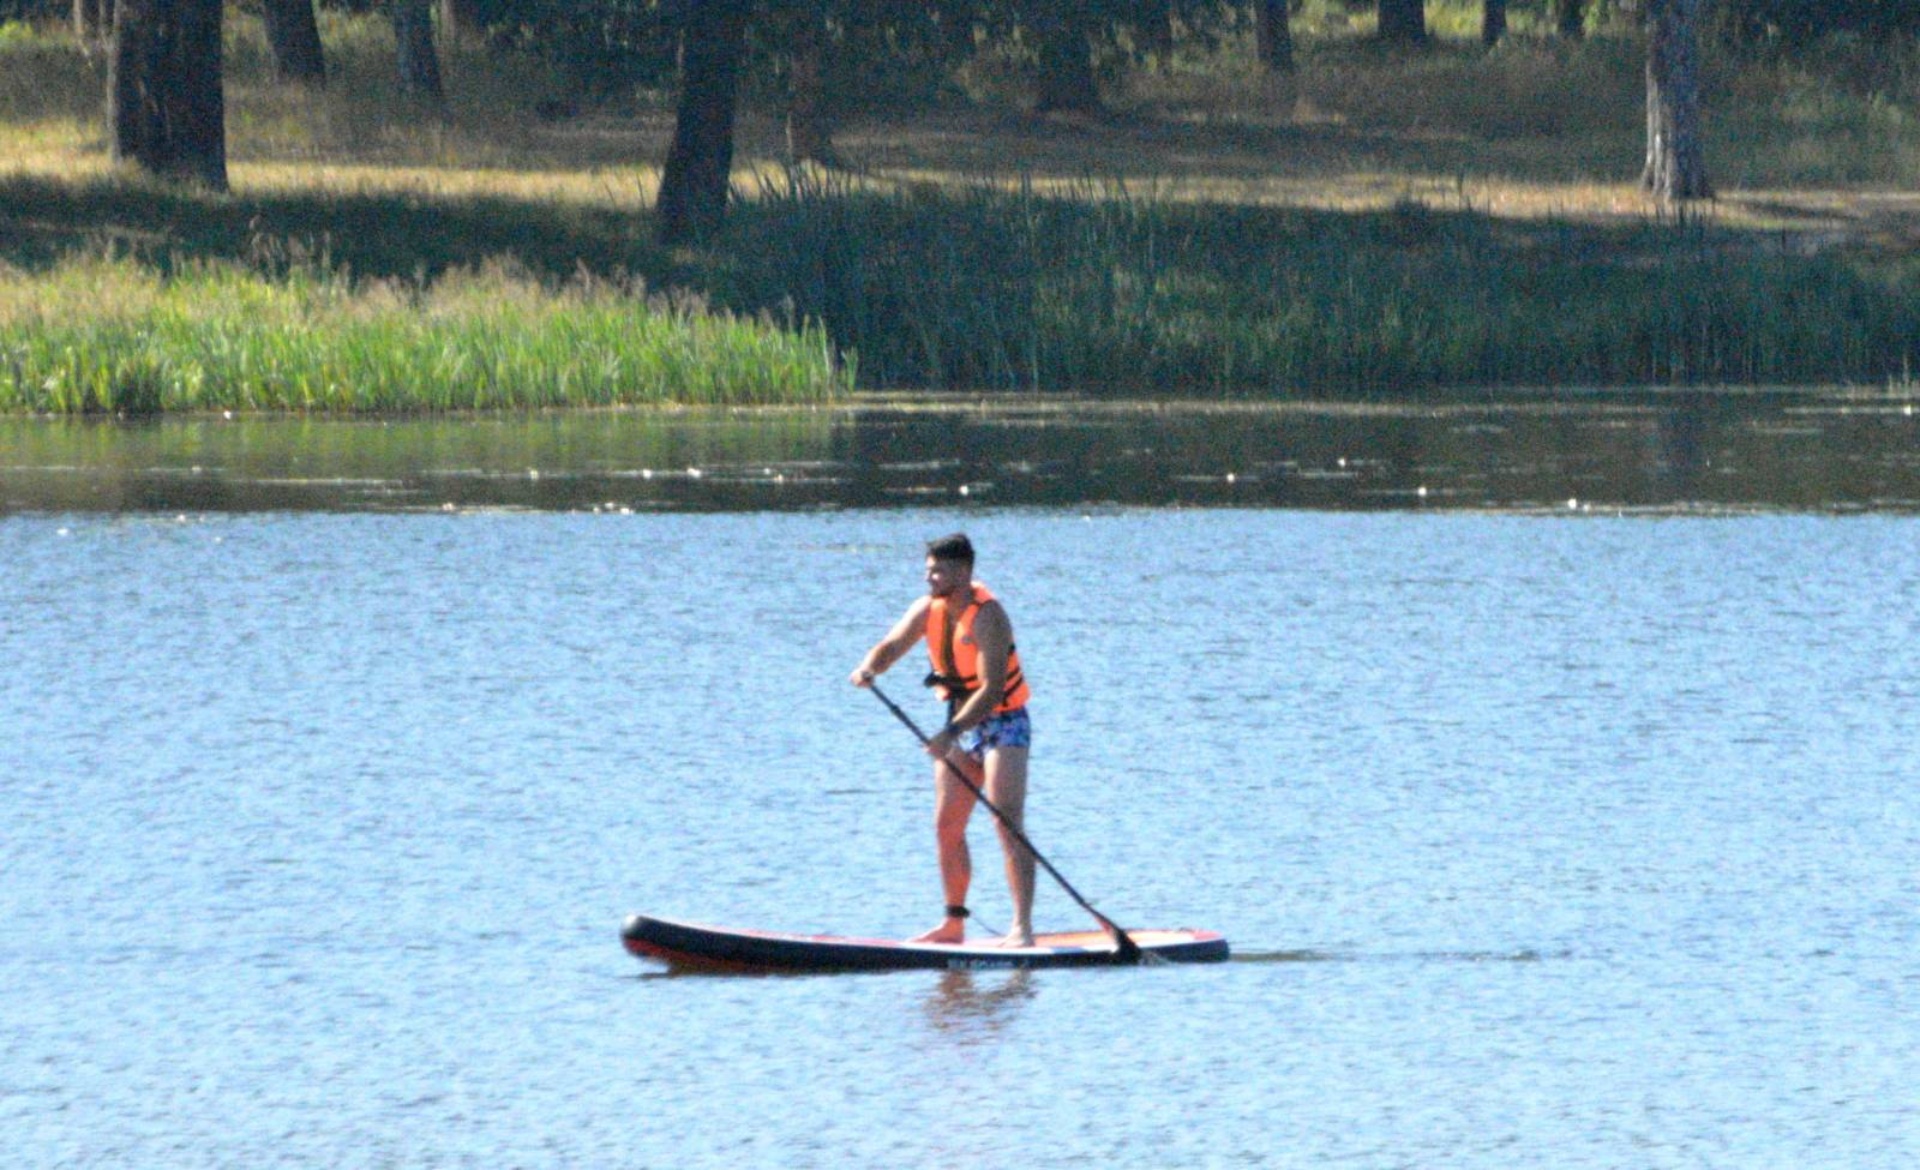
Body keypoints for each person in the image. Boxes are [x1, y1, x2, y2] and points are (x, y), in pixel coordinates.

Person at [850, 533, 1036, 947]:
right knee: (946, 825)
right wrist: (869, 668)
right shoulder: (927, 609)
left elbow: (990, 691)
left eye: (941, 570)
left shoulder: (989, 616)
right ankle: (954, 924)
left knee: (1005, 821)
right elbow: (891, 645)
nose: (931, 577)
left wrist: (949, 733)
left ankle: (1022, 927)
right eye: (929, 569)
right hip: (958, 722)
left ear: (965, 572)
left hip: (1004, 723)